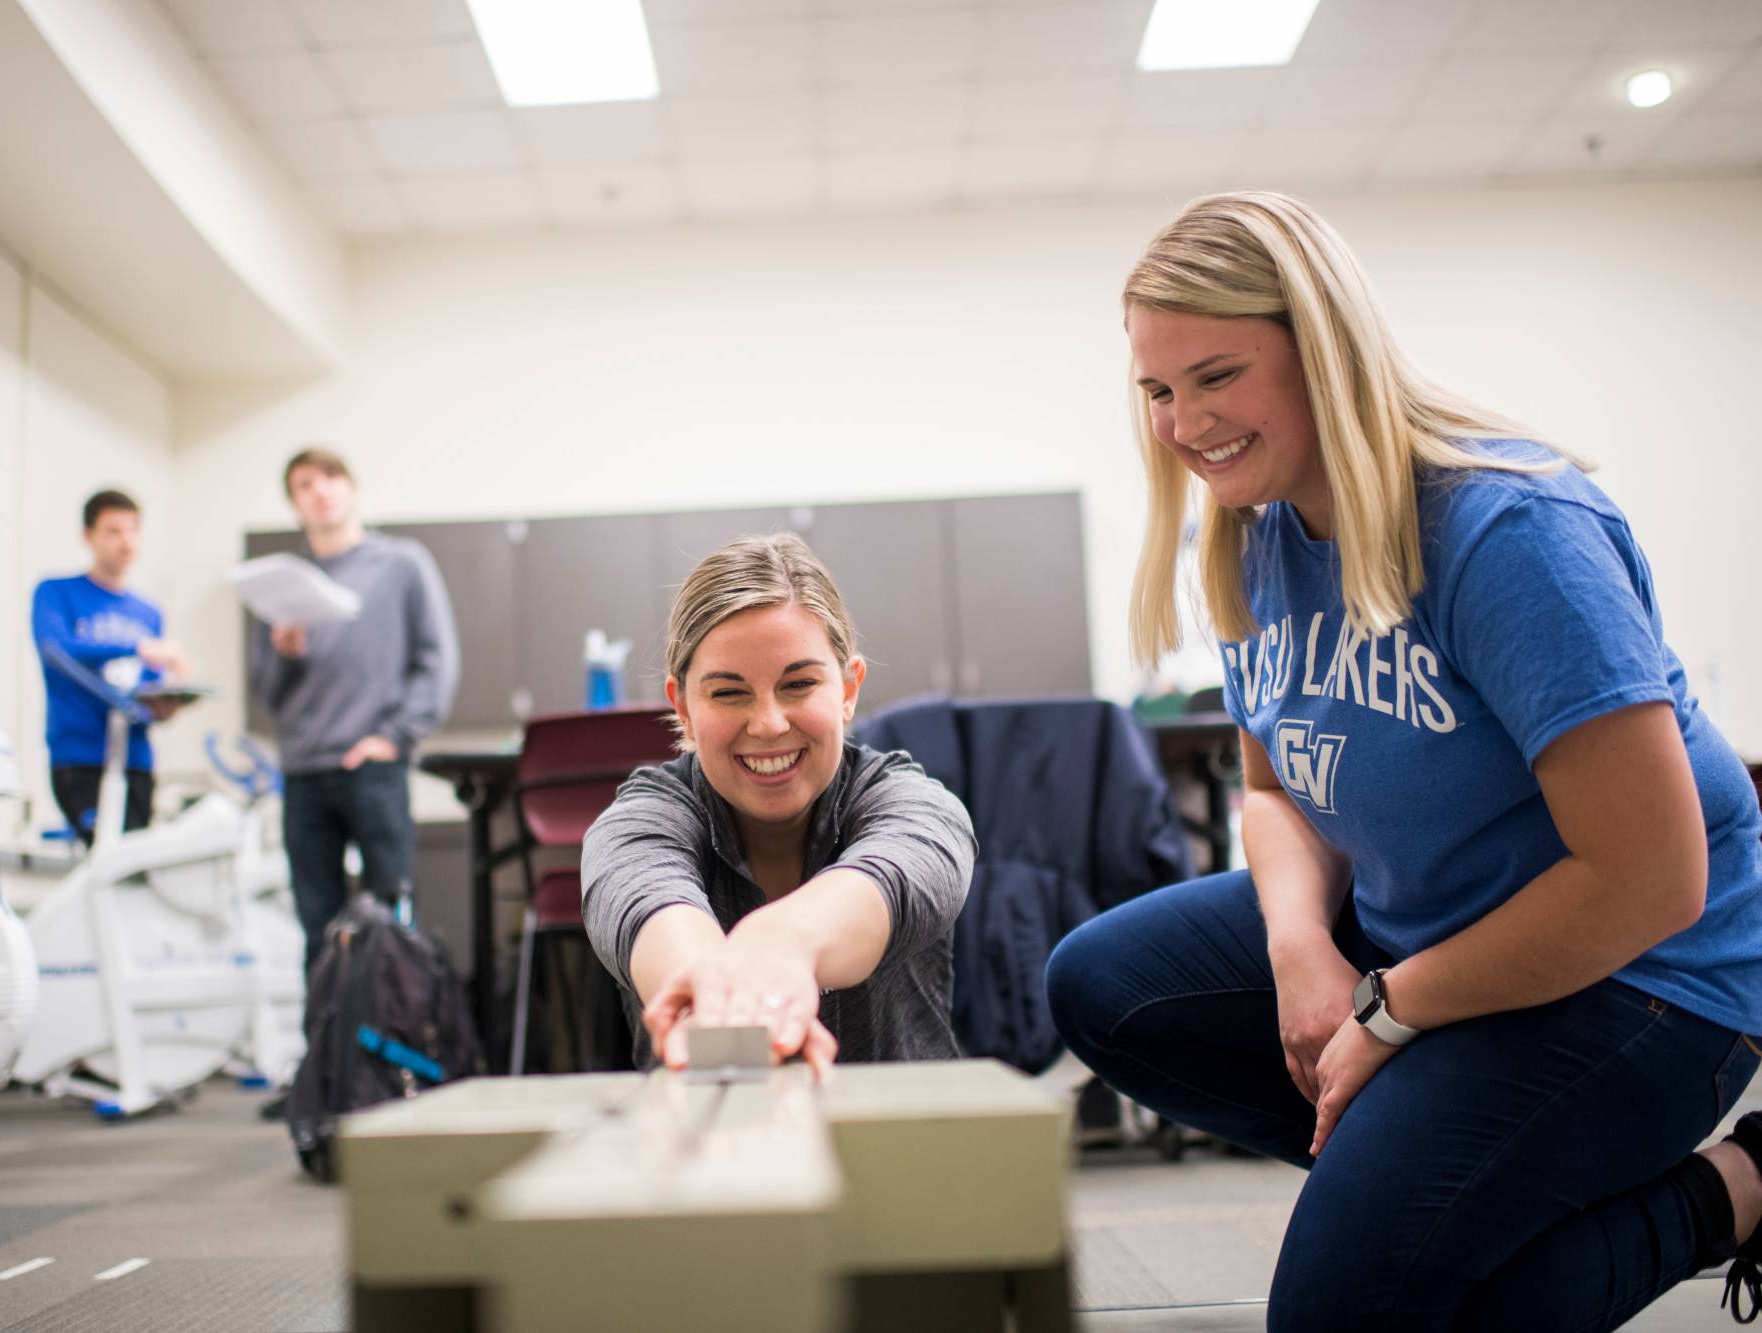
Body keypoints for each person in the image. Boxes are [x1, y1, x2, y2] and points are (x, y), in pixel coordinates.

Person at [1045, 191, 1762, 1330]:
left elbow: (1650, 878)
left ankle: (1733, 1191)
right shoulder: (1252, 529)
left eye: (1215, 376)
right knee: (1099, 982)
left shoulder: (1504, 529)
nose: (1183, 423)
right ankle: (1449, 1190)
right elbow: (1276, 787)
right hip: (1434, 935)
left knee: (1347, 1316)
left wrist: (1388, 1011)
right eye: (1157, 389)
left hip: (1647, 977)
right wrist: (1297, 953)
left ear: (1321, 349)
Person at [580, 533, 975, 1072]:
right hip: (708, 1143)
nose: (768, 724)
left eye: (799, 684)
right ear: (683, 707)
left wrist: (779, 942)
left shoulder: (913, 805)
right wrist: (718, 999)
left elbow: (904, 866)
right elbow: (647, 905)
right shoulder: (640, 822)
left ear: (847, 688)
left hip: (896, 1143)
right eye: (728, 692)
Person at [248, 447, 460, 972]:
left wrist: (394, 736)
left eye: (329, 478)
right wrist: (285, 654)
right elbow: (266, 693)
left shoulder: (402, 564)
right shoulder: (281, 583)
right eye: (304, 485)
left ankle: (395, 1047)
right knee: (315, 930)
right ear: (295, 505)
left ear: (351, 488)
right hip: (302, 772)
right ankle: (327, 1050)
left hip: (373, 766)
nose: (319, 491)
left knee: (391, 921)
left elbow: (438, 661)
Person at [32, 490, 188, 844]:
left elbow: (148, 688)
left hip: (136, 761)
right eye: (113, 531)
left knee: (133, 870)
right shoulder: (56, 593)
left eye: (133, 530)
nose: (126, 541)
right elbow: (54, 648)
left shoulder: (148, 613)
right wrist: (138, 646)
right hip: (81, 757)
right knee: (103, 861)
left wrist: (166, 707)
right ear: (88, 536)